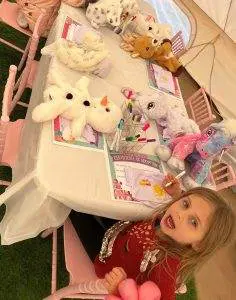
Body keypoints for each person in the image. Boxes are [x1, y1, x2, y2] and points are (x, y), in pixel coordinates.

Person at [70, 174, 235, 300]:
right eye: (185, 204)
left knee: (77, 210)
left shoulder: (166, 269)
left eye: (193, 222)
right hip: (120, 233)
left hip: (106, 262)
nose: (179, 214)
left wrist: (117, 288)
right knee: (93, 199)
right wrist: (177, 194)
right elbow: (182, 210)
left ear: (200, 244)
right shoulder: (172, 226)